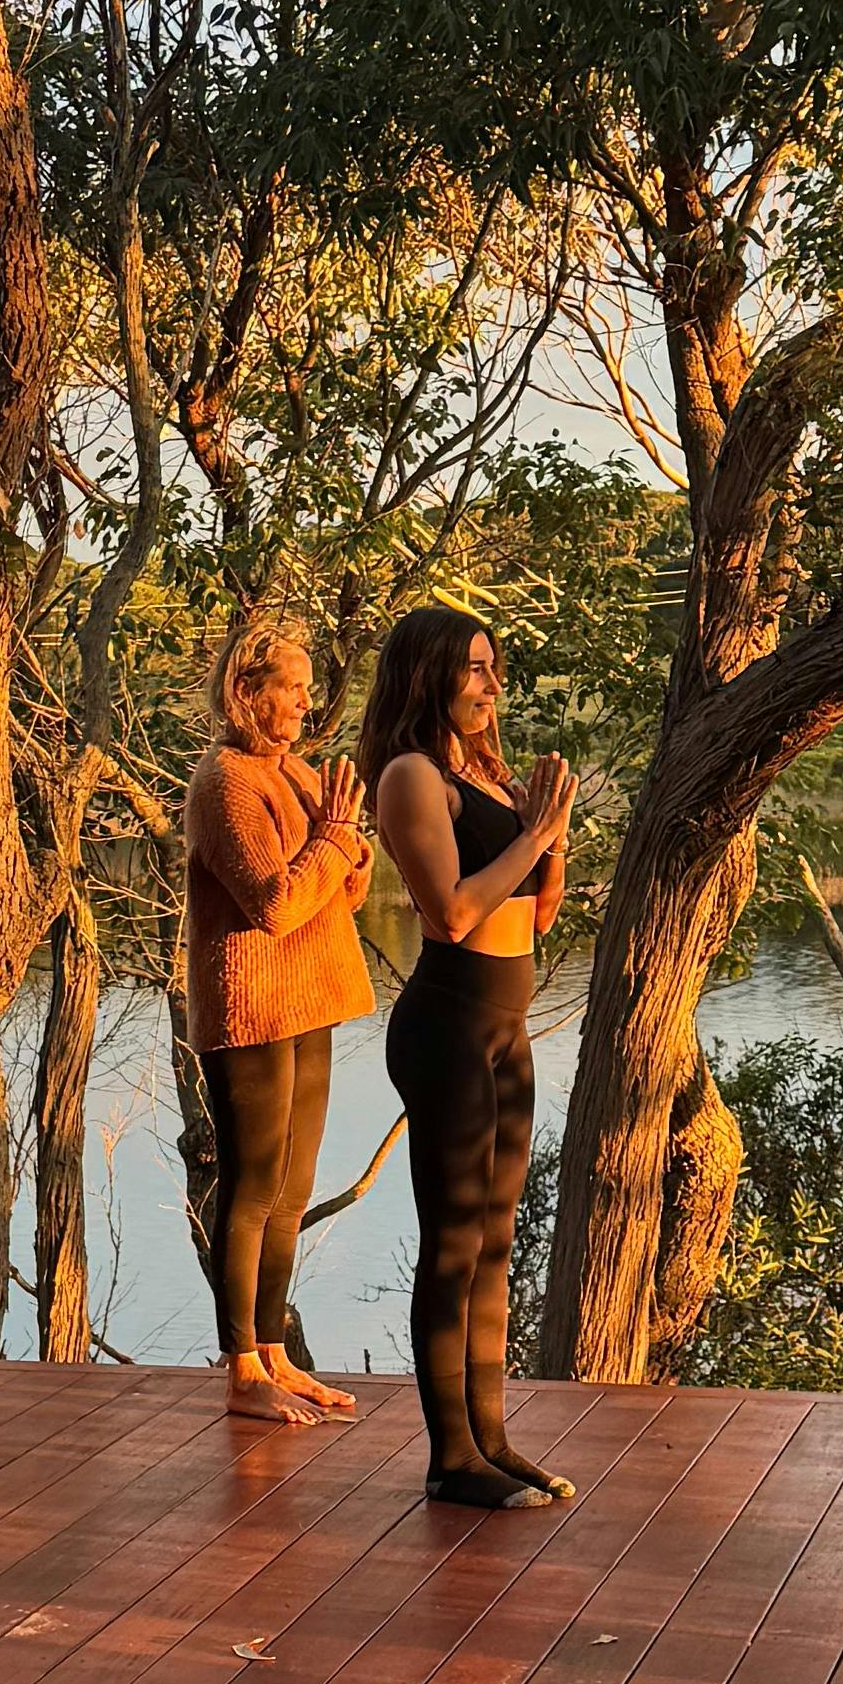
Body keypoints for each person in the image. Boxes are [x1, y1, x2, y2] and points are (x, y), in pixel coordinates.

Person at [363, 600, 574, 1514]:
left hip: (507, 1028)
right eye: (475, 668)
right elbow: (451, 912)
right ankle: (451, 1460)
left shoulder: (483, 778)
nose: (492, 685)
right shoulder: (412, 777)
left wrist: (548, 842)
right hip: (448, 1026)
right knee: (453, 1247)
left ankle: (493, 1440)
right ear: (430, 676)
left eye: (496, 667)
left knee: (496, 1244)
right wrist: (531, 835)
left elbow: (538, 913)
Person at [181, 606, 379, 1423]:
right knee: (254, 1188)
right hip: (253, 1005)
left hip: (313, 998)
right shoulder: (225, 782)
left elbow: (342, 895)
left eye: (307, 687)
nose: (306, 701)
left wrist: (352, 850)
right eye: (289, 688)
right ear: (244, 691)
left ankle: (273, 1353)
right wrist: (334, 843)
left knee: (294, 1193)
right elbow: (274, 903)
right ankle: (241, 1370)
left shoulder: (298, 773)